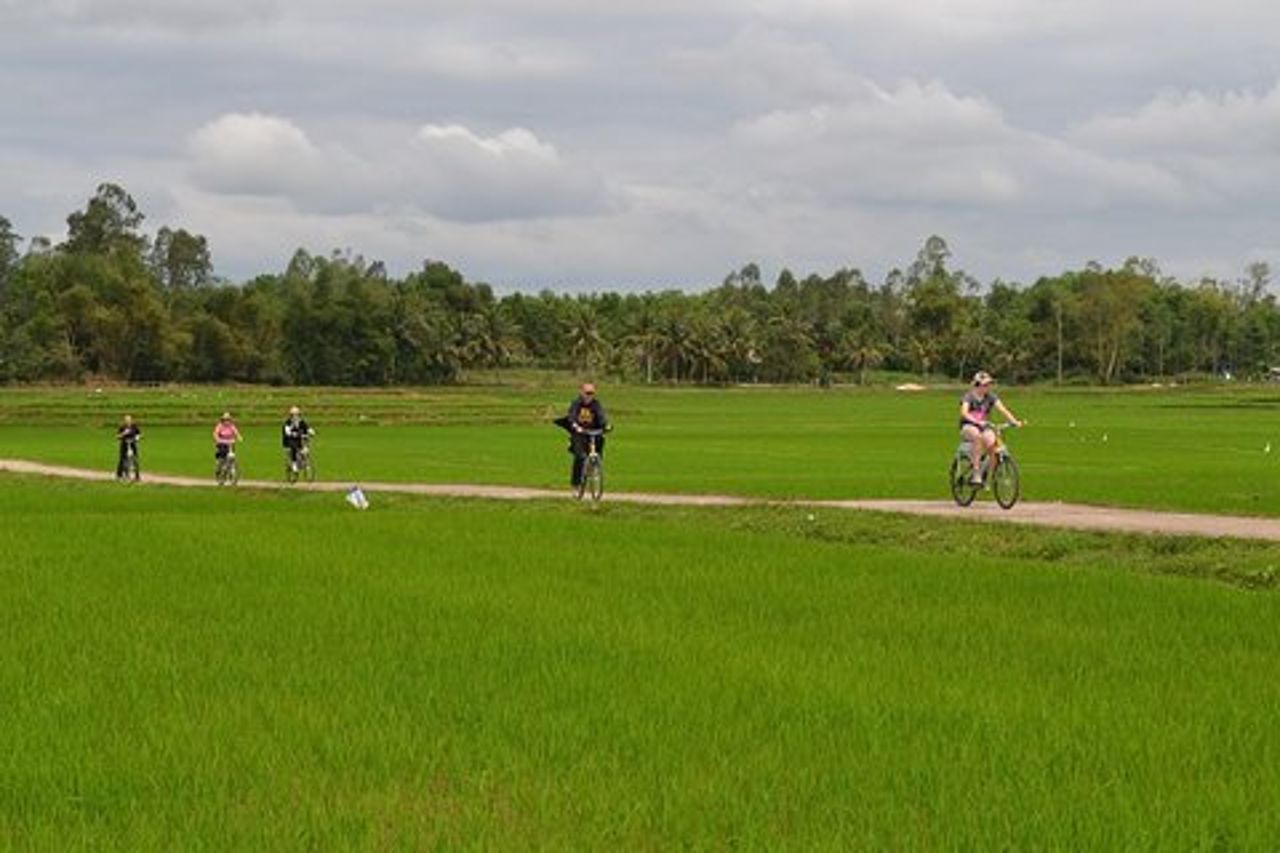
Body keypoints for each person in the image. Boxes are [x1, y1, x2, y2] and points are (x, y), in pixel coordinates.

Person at [960, 371, 1022, 485]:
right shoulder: (969, 397)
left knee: (993, 443)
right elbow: (964, 413)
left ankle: (988, 476)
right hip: (968, 426)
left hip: (984, 426)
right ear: (977, 385)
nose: (988, 387)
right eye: (985, 385)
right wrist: (976, 421)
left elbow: (1003, 409)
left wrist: (1014, 421)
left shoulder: (991, 397)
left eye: (989, 384)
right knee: (977, 436)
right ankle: (976, 473)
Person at [561, 382, 608, 489]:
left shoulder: (596, 404)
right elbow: (571, 416)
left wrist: (605, 425)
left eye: (592, 393)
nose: (589, 396)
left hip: (593, 432)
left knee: (601, 440)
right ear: (581, 392)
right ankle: (576, 482)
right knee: (580, 457)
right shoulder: (576, 403)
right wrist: (575, 426)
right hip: (579, 434)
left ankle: (596, 465)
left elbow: (601, 416)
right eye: (587, 393)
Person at [281, 405, 314, 472]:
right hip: (289, 441)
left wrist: (311, 431)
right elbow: (287, 432)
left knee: (305, 449)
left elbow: (307, 428)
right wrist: (293, 434)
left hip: (299, 440)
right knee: (293, 447)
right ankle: (294, 463)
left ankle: (304, 462)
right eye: (294, 415)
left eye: (297, 415)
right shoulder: (287, 423)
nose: (295, 416)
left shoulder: (301, 422)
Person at [115, 414, 142, 481]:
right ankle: (119, 475)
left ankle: (137, 476)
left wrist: (137, 437)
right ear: (124, 421)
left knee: (135, 459)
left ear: (131, 420)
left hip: (133, 443)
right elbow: (117, 436)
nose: (128, 421)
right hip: (124, 444)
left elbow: (139, 433)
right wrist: (123, 433)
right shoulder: (122, 427)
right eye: (126, 420)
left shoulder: (134, 426)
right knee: (122, 459)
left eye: (129, 420)